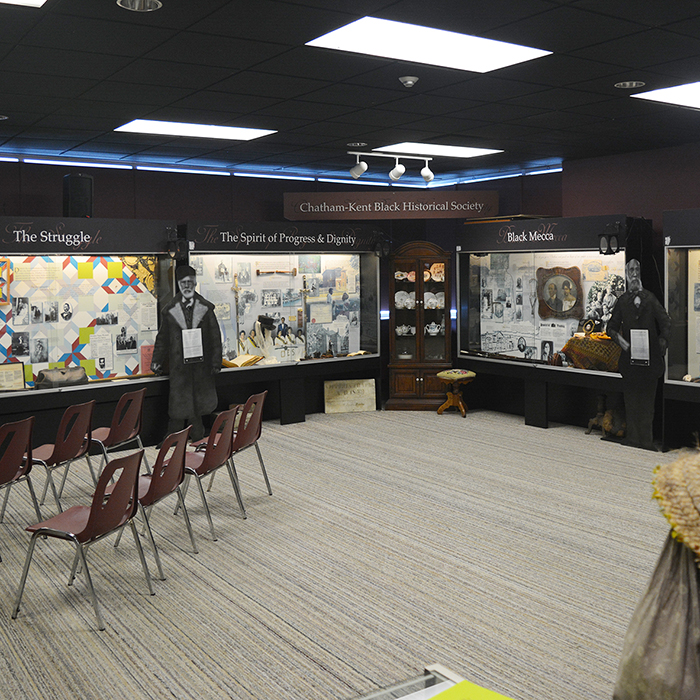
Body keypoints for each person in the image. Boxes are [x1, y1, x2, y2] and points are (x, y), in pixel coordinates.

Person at [151, 264, 222, 442]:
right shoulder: (170, 310)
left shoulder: (206, 308)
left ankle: (196, 432)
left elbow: (215, 337)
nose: (187, 286)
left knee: (198, 398)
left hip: (201, 364)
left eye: (190, 282)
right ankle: (176, 434)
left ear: (195, 283)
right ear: (179, 284)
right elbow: (162, 338)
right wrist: (156, 361)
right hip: (179, 364)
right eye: (184, 282)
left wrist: (216, 362)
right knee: (179, 398)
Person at [606, 258, 671, 450]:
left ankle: (646, 441)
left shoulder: (650, 299)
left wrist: (662, 340)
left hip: (650, 362)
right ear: (626, 274)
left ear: (640, 273)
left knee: (647, 403)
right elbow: (611, 328)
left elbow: (666, 321)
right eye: (631, 270)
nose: (634, 273)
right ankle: (633, 439)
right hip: (630, 361)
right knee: (632, 402)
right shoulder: (622, 301)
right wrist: (624, 344)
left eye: (637, 269)